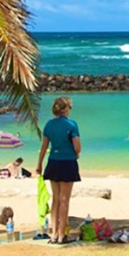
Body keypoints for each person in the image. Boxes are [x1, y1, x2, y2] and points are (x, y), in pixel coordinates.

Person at [36, 96, 81, 245]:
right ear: (66, 109)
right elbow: (77, 146)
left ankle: (54, 234)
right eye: (70, 108)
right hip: (67, 163)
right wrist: (77, 154)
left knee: (55, 199)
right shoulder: (72, 125)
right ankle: (62, 235)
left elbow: (43, 147)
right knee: (64, 200)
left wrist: (39, 164)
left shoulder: (49, 125)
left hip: (53, 162)